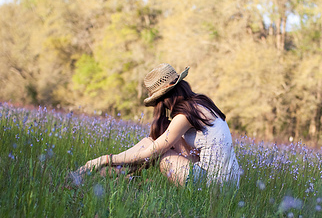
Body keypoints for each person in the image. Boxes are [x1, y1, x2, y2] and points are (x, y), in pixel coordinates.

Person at [77, 63, 240, 187]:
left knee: (157, 154)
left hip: (215, 185)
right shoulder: (200, 104)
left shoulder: (186, 115)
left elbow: (150, 153)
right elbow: (194, 154)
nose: (161, 106)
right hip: (225, 182)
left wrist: (105, 159)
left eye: (159, 101)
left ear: (166, 96)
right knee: (150, 145)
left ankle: (92, 175)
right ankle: (100, 178)